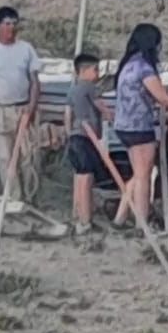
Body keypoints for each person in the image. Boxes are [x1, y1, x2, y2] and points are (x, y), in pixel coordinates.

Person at [111, 23, 168, 231]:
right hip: (139, 128)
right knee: (144, 176)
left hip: (123, 126)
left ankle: (120, 218)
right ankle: (142, 223)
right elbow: (163, 98)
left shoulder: (127, 65)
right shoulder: (144, 68)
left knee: (137, 174)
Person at [0, 7, 43, 203]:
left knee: (28, 156)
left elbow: (34, 81)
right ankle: (12, 196)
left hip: (21, 109)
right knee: (4, 156)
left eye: (14, 24)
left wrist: (31, 106)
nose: (11, 28)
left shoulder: (26, 49)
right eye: (7, 24)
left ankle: (30, 197)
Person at [66, 53, 112, 235]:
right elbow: (99, 104)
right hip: (87, 136)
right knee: (86, 178)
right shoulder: (89, 87)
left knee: (79, 176)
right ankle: (86, 220)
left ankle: (78, 216)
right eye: (95, 69)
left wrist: (69, 133)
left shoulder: (72, 89)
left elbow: (67, 114)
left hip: (75, 137)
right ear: (84, 71)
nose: (98, 73)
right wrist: (109, 114)